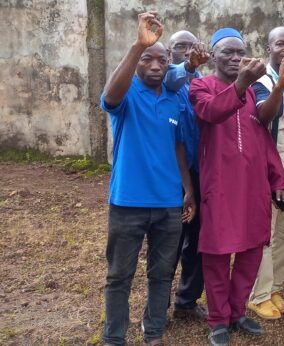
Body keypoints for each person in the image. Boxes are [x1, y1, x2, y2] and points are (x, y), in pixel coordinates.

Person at [99, 11, 196, 346]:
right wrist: (139, 43)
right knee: (119, 276)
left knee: (162, 274)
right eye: (147, 59)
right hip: (128, 204)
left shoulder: (174, 98)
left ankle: (153, 333)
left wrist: (188, 190)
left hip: (168, 206)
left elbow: (179, 147)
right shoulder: (127, 94)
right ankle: (114, 337)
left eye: (162, 60)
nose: (156, 66)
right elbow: (109, 96)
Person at [188, 28, 284, 346]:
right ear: (213, 56)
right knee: (217, 253)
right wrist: (241, 83)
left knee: (252, 250)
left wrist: (276, 179)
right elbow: (211, 112)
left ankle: (237, 312)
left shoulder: (255, 89)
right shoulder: (201, 86)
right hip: (219, 184)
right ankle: (218, 320)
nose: (235, 58)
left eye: (240, 52)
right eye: (227, 52)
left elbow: (262, 128)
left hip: (253, 184)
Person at [247, 26, 284, 320]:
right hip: (268, 173)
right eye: (281, 43)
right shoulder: (261, 80)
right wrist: (279, 84)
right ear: (269, 47)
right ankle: (259, 294)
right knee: (265, 235)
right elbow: (263, 115)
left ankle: (275, 286)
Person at [163, 30, 210, 322]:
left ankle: (187, 300)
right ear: (170, 53)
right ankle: (158, 307)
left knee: (199, 240)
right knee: (169, 242)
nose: (187, 51)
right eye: (180, 46)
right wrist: (188, 66)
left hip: (202, 173)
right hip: (172, 175)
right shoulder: (166, 79)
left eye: (191, 47)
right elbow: (173, 79)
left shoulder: (204, 83)